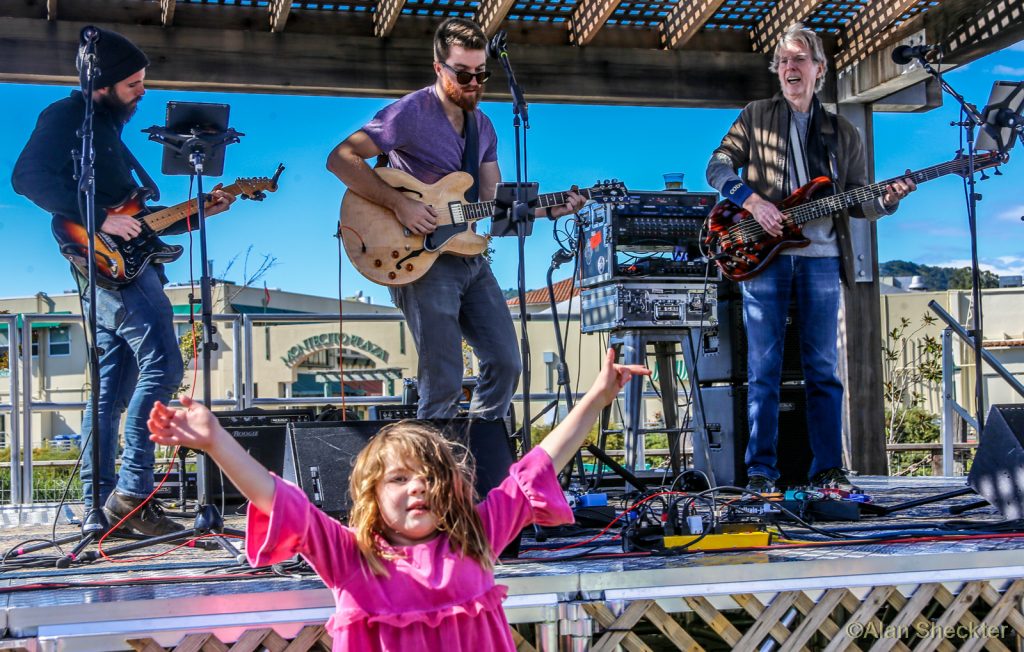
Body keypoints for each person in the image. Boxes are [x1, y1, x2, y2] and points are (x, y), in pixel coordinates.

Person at [147, 348, 648, 650]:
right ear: (370, 496)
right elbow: (277, 498)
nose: (418, 487)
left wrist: (596, 397)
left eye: (430, 476)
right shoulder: (349, 556)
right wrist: (216, 441)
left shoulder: (476, 536)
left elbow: (540, 463)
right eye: (400, 479)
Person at [11, 27, 235, 534]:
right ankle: (133, 492)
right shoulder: (66, 117)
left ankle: (102, 507)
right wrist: (96, 220)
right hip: (109, 270)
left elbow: (137, 221)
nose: (142, 91)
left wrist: (202, 212)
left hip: (122, 265)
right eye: (133, 83)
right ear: (103, 84)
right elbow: (27, 177)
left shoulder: (108, 134)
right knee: (164, 363)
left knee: (112, 389)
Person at [326, 17, 586, 421]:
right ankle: (435, 477)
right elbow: (340, 158)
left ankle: (477, 455)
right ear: (439, 68)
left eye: (481, 74)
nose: (474, 83)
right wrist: (400, 204)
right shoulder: (410, 112)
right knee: (442, 379)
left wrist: (550, 208)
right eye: (463, 74)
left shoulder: (482, 126)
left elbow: (491, 199)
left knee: (506, 362)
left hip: (468, 255)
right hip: (418, 256)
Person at [705, 23, 916, 493]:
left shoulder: (843, 131)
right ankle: (761, 473)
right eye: (782, 61)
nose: (789, 67)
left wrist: (889, 199)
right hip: (766, 258)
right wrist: (753, 202)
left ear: (819, 69)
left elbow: (861, 199)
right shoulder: (756, 115)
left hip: (823, 258)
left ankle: (828, 470)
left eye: (799, 59)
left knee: (823, 370)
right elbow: (717, 165)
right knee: (763, 369)